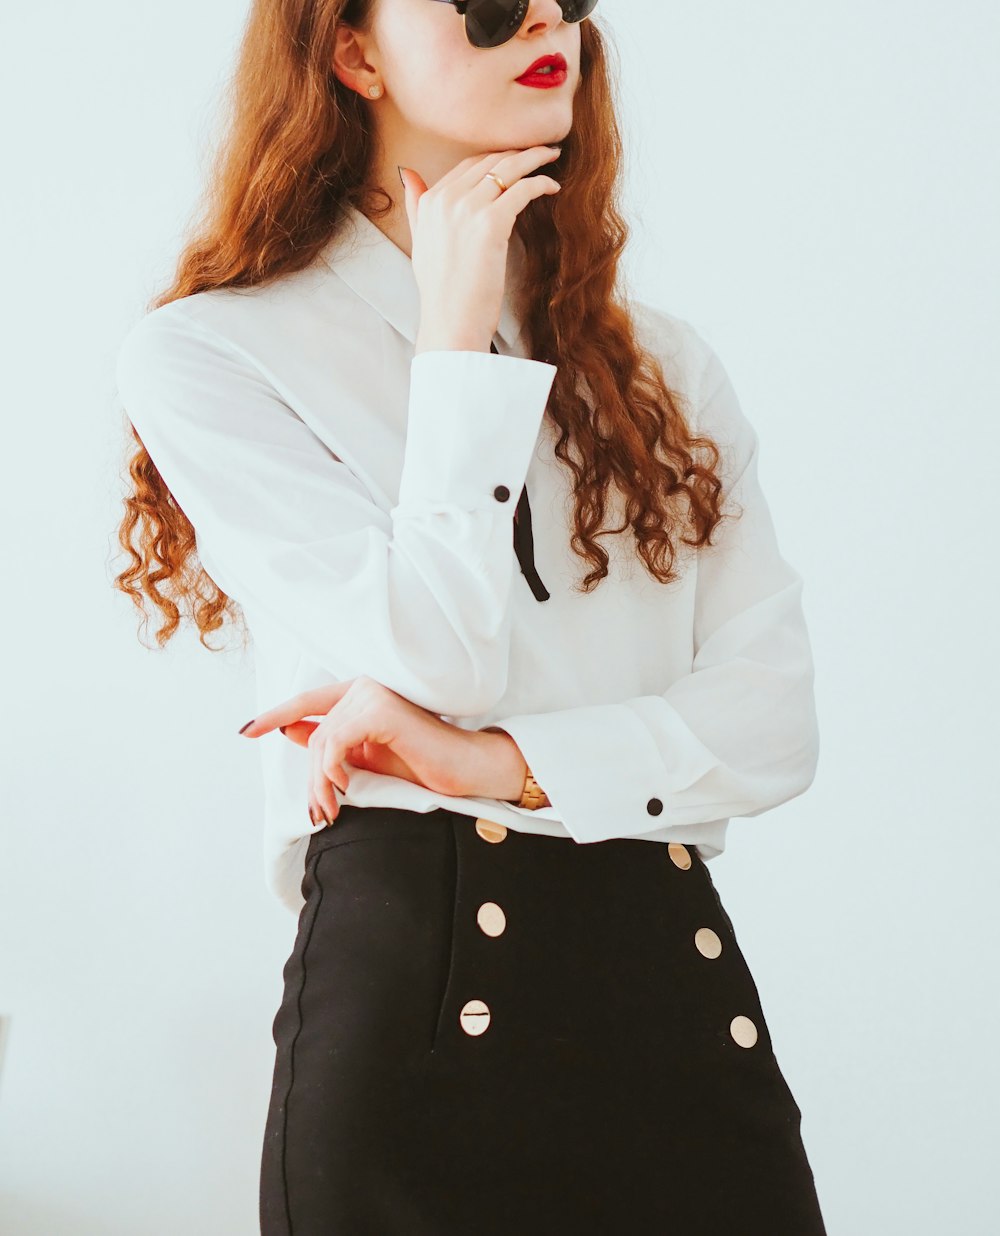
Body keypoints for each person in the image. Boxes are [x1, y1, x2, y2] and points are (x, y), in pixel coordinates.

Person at [113, 0, 827, 1231]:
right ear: (352, 50)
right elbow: (436, 648)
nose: (543, 18)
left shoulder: (663, 367)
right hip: (422, 988)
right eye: (489, 2)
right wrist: (456, 343)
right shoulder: (214, 356)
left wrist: (496, 761)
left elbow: (774, 727)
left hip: (670, 976)